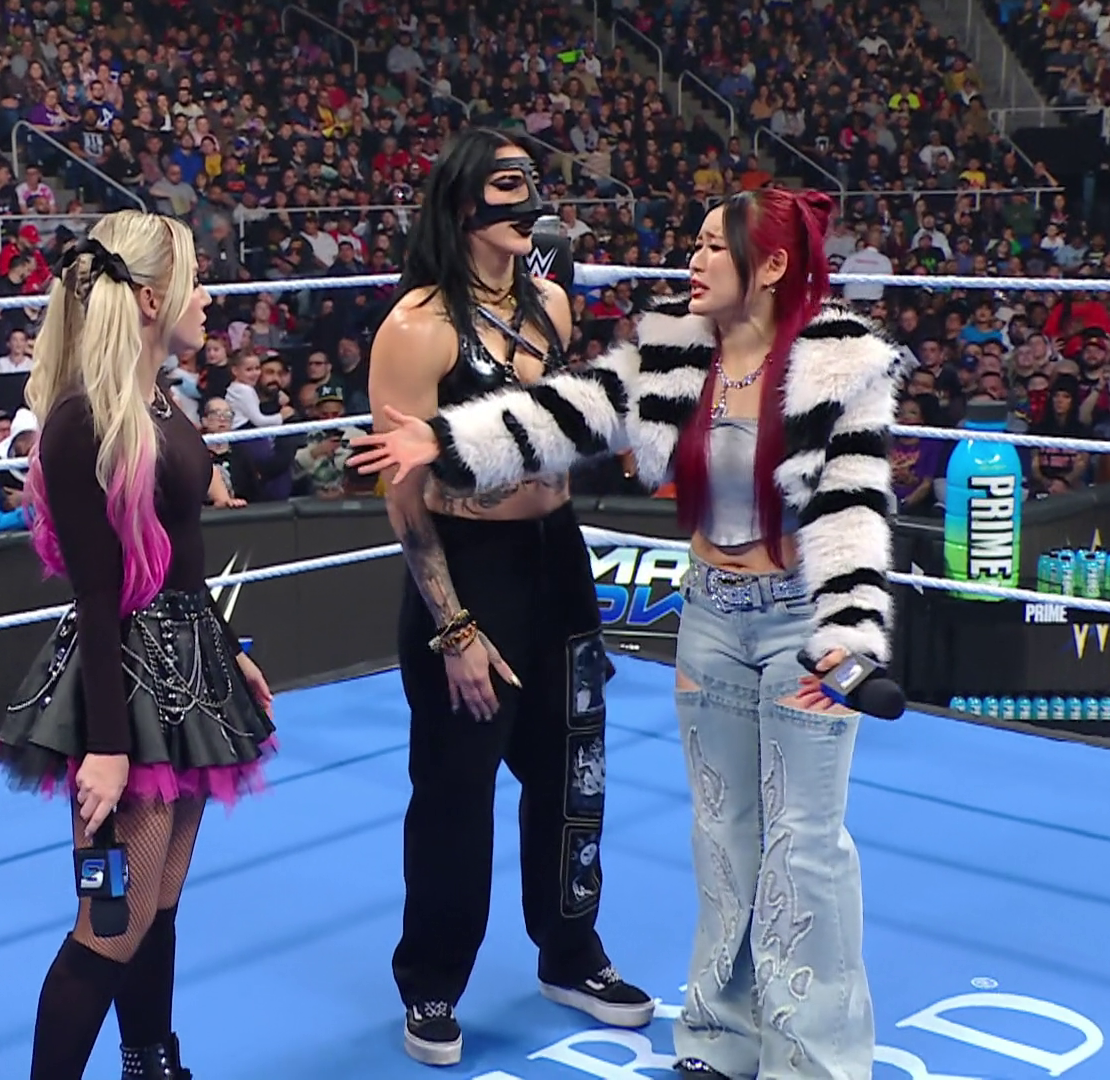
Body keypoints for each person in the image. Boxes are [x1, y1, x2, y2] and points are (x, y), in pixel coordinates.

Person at [353, 187, 903, 1080]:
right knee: (722, 833)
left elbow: (854, 506)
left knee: (805, 844)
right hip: (711, 616)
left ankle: (814, 1061)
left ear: (769, 265)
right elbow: (562, 412)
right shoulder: (678, 350)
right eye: (695, 242)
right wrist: (443, 442)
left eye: (712, 247)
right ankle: (720, 1038)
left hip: (800, 621)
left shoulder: (838, 362)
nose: (692, 260)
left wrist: (848, 630)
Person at [364, 127, 653, 1069]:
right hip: (467, 565)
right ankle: (433, 979)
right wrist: (454, 626)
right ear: (464, 206)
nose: (529, 198)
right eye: (507, 183)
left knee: (574, 768)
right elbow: (403, 494)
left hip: (556, 555)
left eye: (533, 180)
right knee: (456, 787)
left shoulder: (552, 305)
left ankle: (571, 951)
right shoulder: (417, 328)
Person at [0, 211, 277, 1080]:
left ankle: (153, 1063)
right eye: (194, 282)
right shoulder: (83, 421)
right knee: (110, 921)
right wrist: (108, 750)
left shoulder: (155, 398)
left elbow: (181, 553)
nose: (207, 298)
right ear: (151, 299)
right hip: (125, 682)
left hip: (187, 669)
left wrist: (228, 650)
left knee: (157, 904)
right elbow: (97, 593)